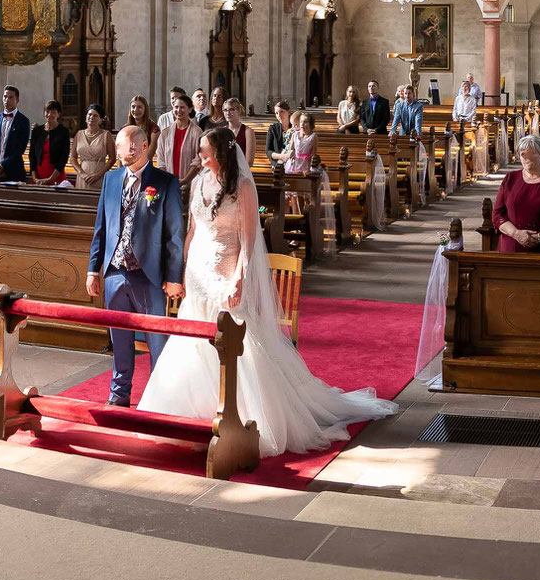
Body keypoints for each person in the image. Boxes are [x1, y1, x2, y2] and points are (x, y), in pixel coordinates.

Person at [139, 128, 395, 452]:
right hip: (197, 276)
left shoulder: (242, 187)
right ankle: (190, 412)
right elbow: (192, 231)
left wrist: (238, 279)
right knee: (193, 342)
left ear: (220, 153)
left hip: (225, 273)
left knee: (235, 346)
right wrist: (180, 270)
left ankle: (242, 415)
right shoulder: (199, 181)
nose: (199, 156)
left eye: (204, 151)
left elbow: (248, 240)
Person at [87, 125, 187, 408]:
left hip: (149, 275)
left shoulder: (165, 182)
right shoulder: (111, 179)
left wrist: (174, 277)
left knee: (157, 341)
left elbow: (174, 236)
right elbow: (101, 227)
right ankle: (119, 395)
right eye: (121, 146)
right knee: (119, 339)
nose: (125, 151)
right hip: (114, 272)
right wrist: (94, 269)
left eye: (131, 146)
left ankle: (159, 398)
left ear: (145, 147)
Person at [154, 92, 201, 186]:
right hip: (168, 183)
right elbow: (161, 159)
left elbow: (198, 160)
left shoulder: (197, 132)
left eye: (182, 107)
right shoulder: (165, 133)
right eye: (176, 107)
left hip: (190, 184)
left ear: (190, 109)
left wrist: (184, 181)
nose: (178, 110)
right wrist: (168, 179)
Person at [71, 104, 114, 190]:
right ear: (86, 117)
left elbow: (112, 158)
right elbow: (73, 157)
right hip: (83, 175)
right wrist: (81, 173)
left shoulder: (106, 135)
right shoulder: (79, 134)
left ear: (101, 120)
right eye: (89, 114)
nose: (91, 117)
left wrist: (98, 175)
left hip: (99, 174)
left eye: (95, 115)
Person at [29, 100, 72, 185]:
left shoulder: (63, 132)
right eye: (47, 111)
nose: (49, 114)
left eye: (53, 112)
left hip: (56, 177)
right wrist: (34, 178)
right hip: (38, 178)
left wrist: (50, 179)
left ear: (58, 114)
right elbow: (32, 155)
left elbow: (63, 158)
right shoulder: (37, 131)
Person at [265, 100, 292, 166]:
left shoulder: (295, 127)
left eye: (281, 112)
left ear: (288, 112)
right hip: (278, 163)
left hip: (293, 162)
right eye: (276, 113)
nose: (279, 115)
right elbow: (268, 151)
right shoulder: (273, 128)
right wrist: (281, 156)